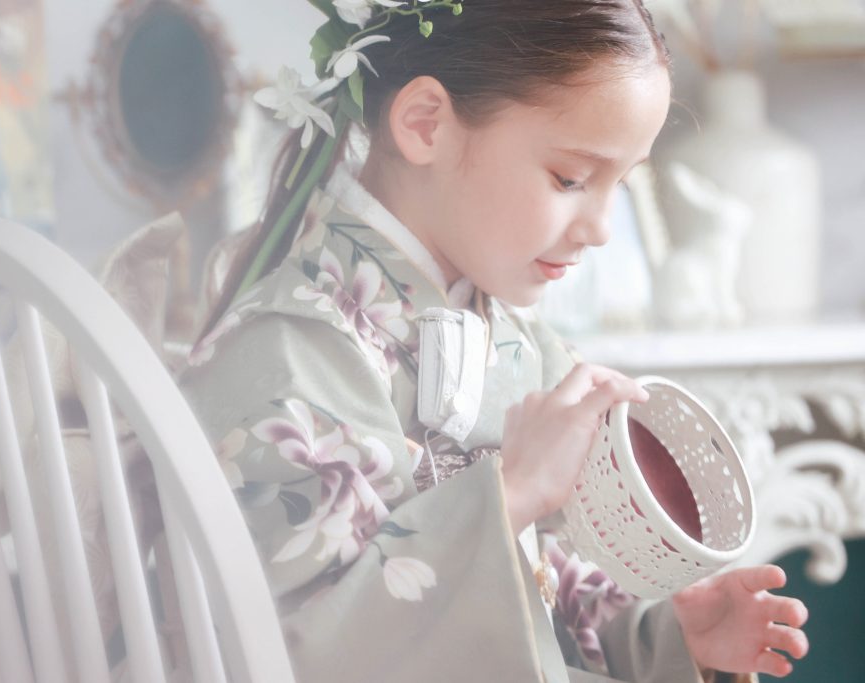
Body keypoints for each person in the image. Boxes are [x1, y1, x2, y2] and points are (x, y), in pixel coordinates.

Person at [180, 1, 809, 681]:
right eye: (571, 178)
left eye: (618, 185)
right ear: (426, 124)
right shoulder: (289, 349)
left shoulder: (519, 348)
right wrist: (509, 492)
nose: (601, 227)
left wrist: (667, 637)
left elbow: (548, 609)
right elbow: (294, 651)